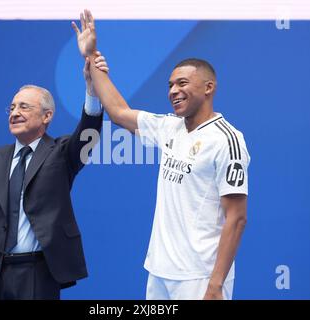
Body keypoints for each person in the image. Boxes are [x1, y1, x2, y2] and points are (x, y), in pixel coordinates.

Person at [72, 10, 250, 300]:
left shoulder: (227, 140)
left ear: (208, 87)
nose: (173, 91)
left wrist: (215, 284)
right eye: (170, 85)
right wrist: (91, 57)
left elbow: (237, 218)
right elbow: (119, 112)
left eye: (182, 83)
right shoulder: (170, 127)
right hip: (159, 271)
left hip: (199, 277)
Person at [0, 58, 109, 299]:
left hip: (38, 273)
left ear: (47, 116)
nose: (15, 113)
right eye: (12, 108)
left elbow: (88, 132)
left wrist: (92, 90)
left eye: (24, 107)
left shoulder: (61, 153)